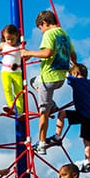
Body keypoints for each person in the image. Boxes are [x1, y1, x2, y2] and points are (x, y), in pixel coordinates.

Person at [21, 10, 77, 155]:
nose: (41, 31)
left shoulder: (49, 34)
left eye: (41, 28)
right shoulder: (64, 34)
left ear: (44, 23)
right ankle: (51, 105)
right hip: (60, 79)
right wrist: (73, 66)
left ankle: (41, 144)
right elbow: (73, 54)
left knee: (43, 113)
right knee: (35, 81)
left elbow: (47, 53)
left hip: (48, 78)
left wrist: (28, 53)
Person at [46, 63, 90, 172]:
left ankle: (57, 136)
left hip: (82, 113)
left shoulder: (76, 81)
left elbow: (66, 74)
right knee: (87, 141)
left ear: (76, 74)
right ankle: (87, 162)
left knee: (62, 114)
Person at [0, 24, 24, 114]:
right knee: (7, 89)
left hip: (17, 72)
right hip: (6, 71)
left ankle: (20, 111)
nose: (9, 41)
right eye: (7, 39)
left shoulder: (20, 46)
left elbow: (26, 54)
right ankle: (11, 107)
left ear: (17, 36)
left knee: (19, 92)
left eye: (12, 39)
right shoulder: (3, 45)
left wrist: (27, 55)